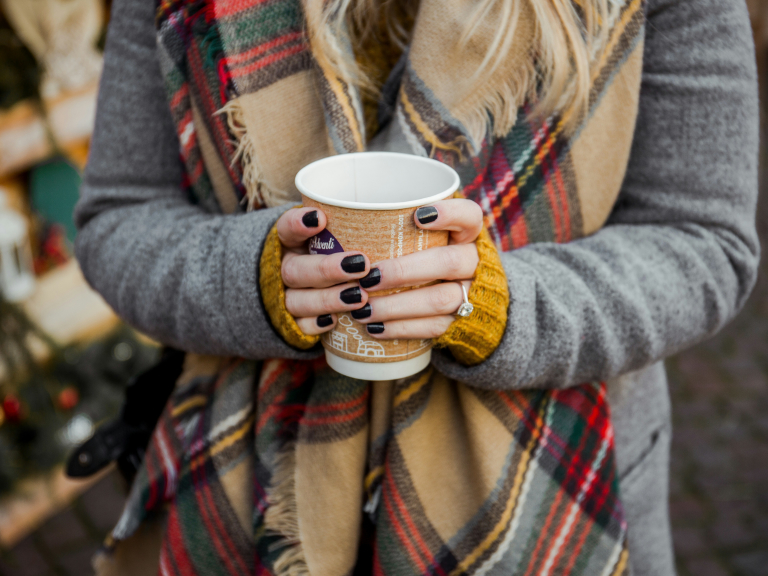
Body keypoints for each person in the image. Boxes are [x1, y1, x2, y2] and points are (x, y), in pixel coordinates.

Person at [75, 0, 759, 574]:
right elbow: (119, 216)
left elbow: (703, 241)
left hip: (553, 494)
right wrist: (252, 279)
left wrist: (505, 308)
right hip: (251, 497)